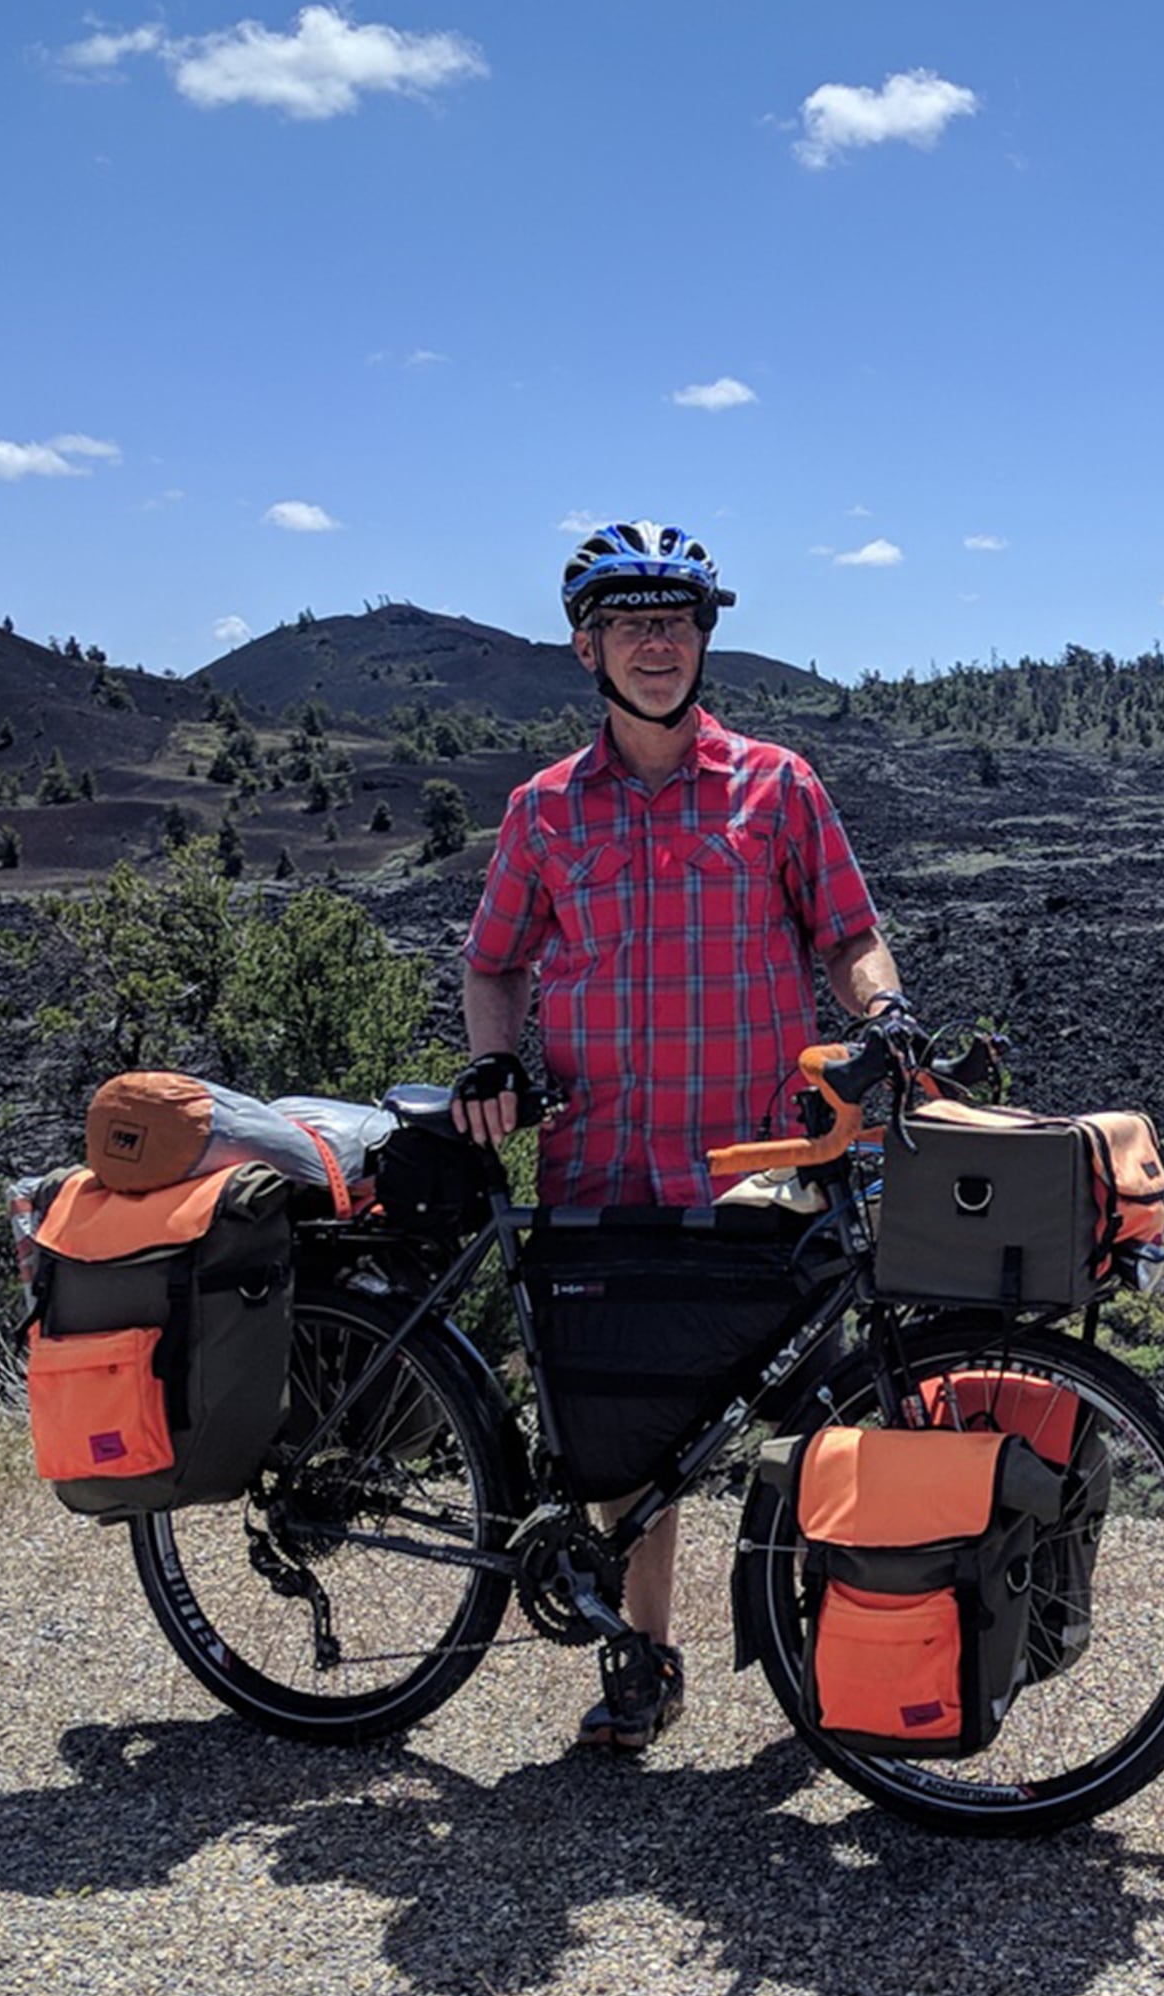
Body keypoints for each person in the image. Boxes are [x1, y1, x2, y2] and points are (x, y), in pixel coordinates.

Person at [454, 519, 907, 1753]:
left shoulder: (777, 785)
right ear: (587, 647)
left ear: (706, 637)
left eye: (677, 622)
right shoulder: (545, 811)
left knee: (812, 1408)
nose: (657, 646)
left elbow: (849, 933)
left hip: (758, 1159)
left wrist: (887, 1014)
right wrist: (495, 1055)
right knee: (628, 1437)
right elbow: (492, 963)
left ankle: (852, 1652)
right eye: (630, 625)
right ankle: (642, 1659)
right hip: (603, 1159)